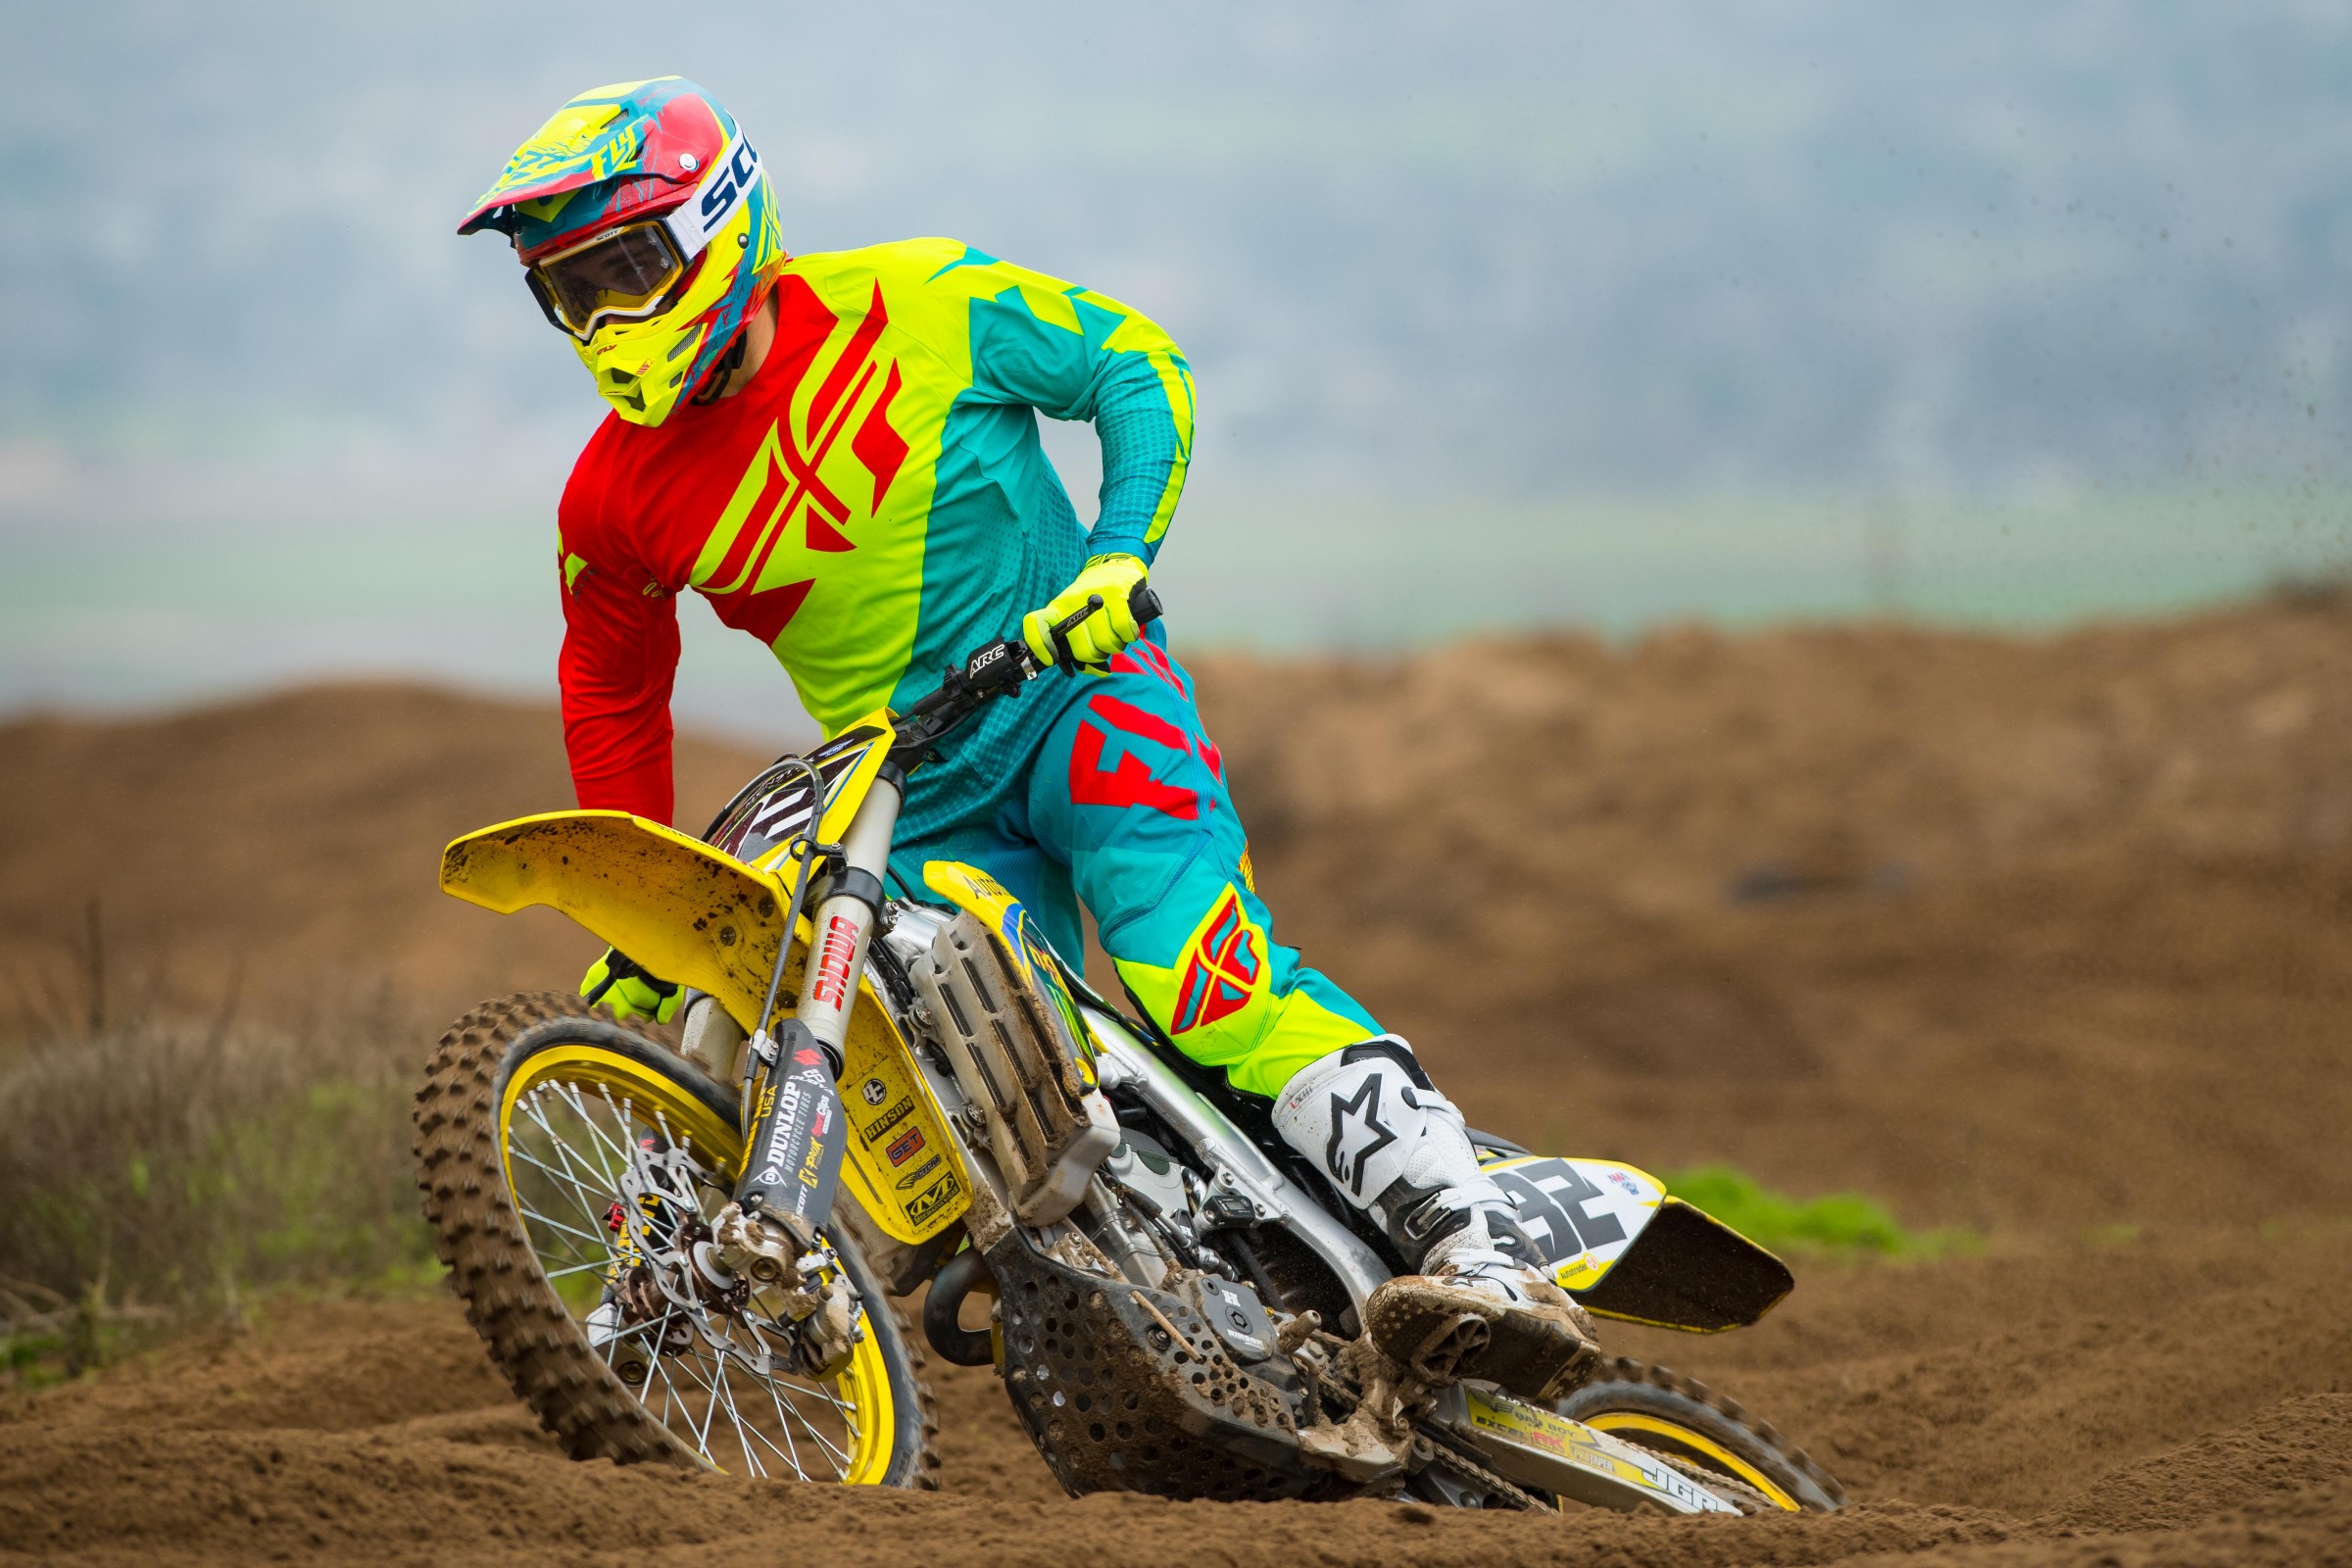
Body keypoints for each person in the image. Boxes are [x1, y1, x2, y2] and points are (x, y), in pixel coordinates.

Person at [460, 76, 1594, 1399]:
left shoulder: (920, 300)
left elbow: (1133, 364)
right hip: (913, 794)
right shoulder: (607, 498)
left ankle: (1477, 1247)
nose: (604, 317)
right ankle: (1147, 1285)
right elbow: (610, 686)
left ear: (721, 224)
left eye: (627, 269)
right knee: (965, 1078)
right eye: (569, 292)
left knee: (1189, 975)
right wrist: (635, 899)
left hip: (1080, 700)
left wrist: (1117, 555)